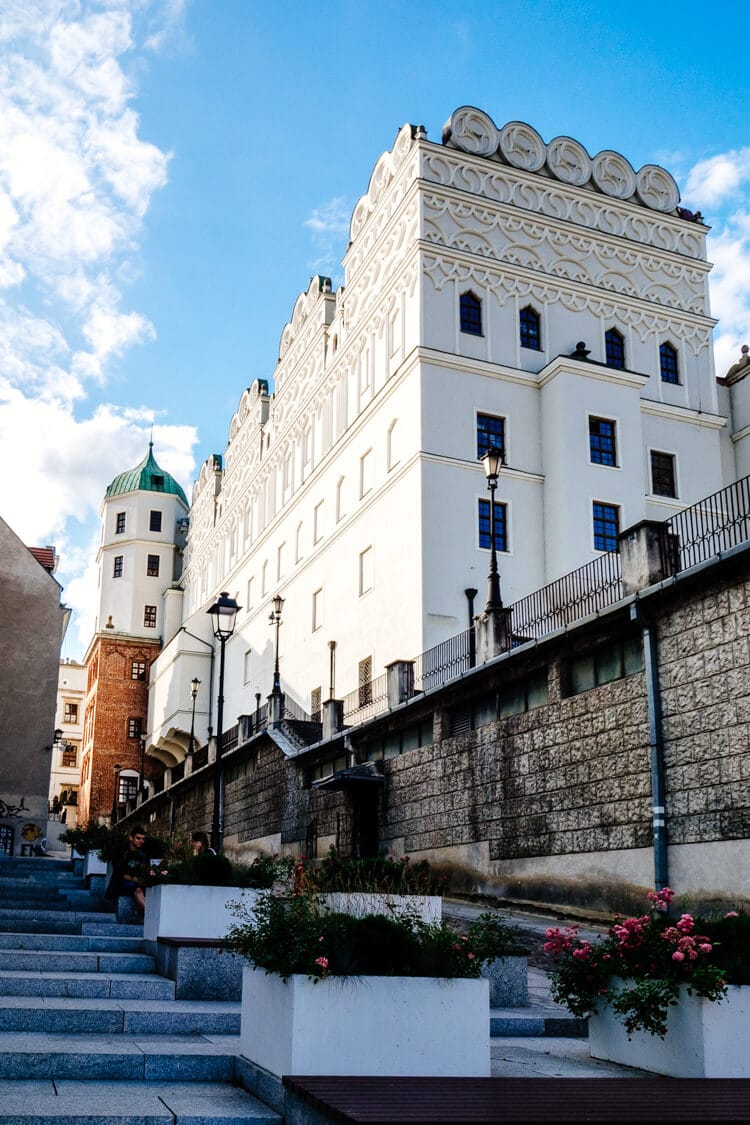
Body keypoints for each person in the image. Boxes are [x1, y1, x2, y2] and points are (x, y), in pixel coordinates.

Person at [105, 827, 147, 915]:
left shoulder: (142, 854)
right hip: (120, 883)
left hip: (136, 883)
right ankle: (151, 915)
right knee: (138, 890)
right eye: (138, 838)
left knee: (147, 889)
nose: (141, 841)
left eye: (143, 839)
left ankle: (142, 915)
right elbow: (119, 873)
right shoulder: (121, 852)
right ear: (131, 838)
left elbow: (144, 871)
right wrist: (135, 879)